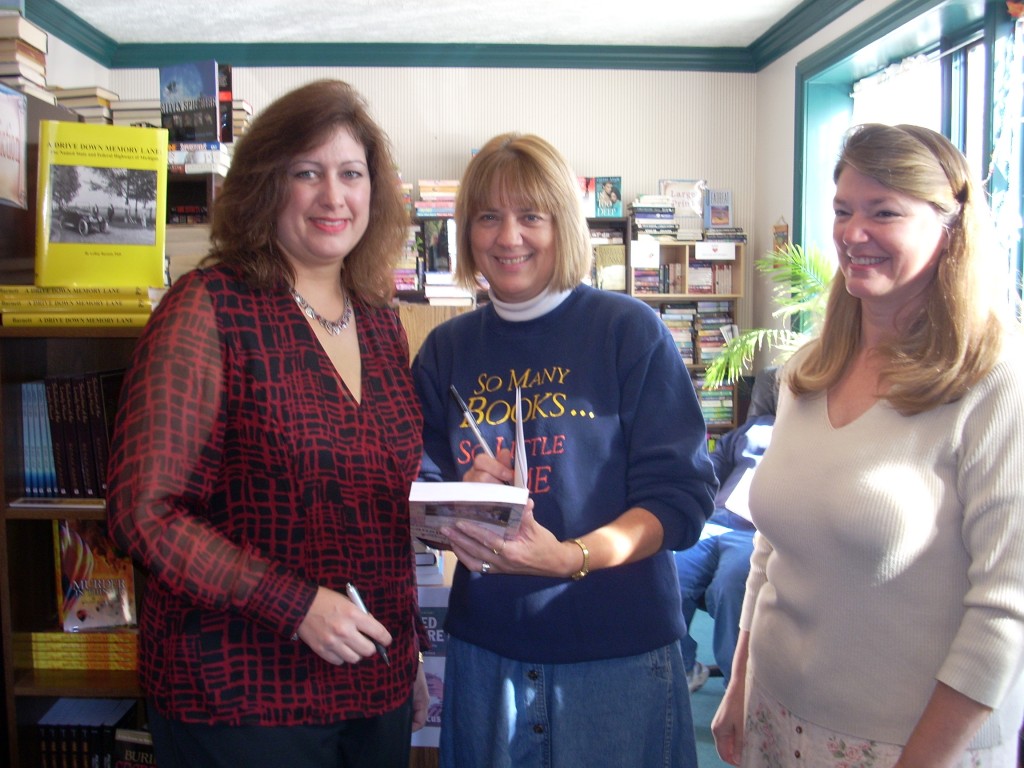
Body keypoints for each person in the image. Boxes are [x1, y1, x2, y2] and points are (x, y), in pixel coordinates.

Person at [105, 79, 429, 768]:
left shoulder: (381, 322)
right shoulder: (208, 308)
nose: (333, 196)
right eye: (306, 172)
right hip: (240, 697)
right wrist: (294, 605)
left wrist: (409, 657)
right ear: (264, 185)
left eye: (351, 174)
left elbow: (378, 507)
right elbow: (143, 513)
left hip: (373, 681)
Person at [712, 123, 1024, 767]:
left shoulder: (994, 382)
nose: (853, 233)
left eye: (884, 212)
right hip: (777, 713)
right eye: (843, 211)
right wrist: (739, 680)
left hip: (911, 744)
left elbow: (1006, 609)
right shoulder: (808, 370)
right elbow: (773, 545)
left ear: (950, 228)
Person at [411, 132, 717, 767]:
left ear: (564, 225)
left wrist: (570, 558)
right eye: (488, 217)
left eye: (531, 215)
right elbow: (419, 493)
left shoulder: (629, 331)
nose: (508, 237)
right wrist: (464, 499)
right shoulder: (446, 350)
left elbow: (681, 502)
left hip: (618, 653)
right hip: (488, 653)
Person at [675, 366, 777, 693]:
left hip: (758, 532)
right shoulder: (753, 429)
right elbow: (712, 467)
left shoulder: (814, 436)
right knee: (669, 572)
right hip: (714, 521)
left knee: (732, 586)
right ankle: (683, 667)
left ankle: (739, 687)